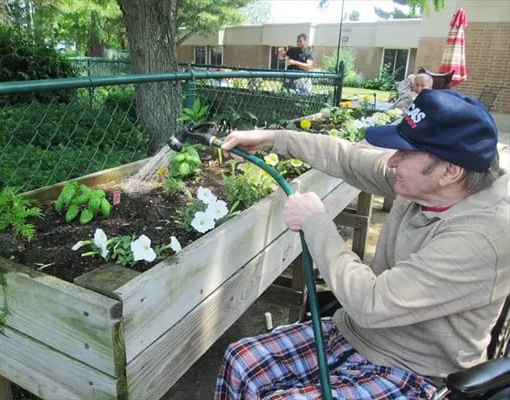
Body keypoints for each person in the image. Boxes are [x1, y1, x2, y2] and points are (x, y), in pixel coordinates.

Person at [215, 90, 509, 399]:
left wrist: (316, 222)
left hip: (415, 369)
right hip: (356, 333)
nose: (393, 160)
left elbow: (371, 304)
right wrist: (274, 139)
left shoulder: (484, 237)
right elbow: (348, 157)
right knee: (241, 361)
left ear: (449, 172)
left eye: (406, 153)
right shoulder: (433, 183)